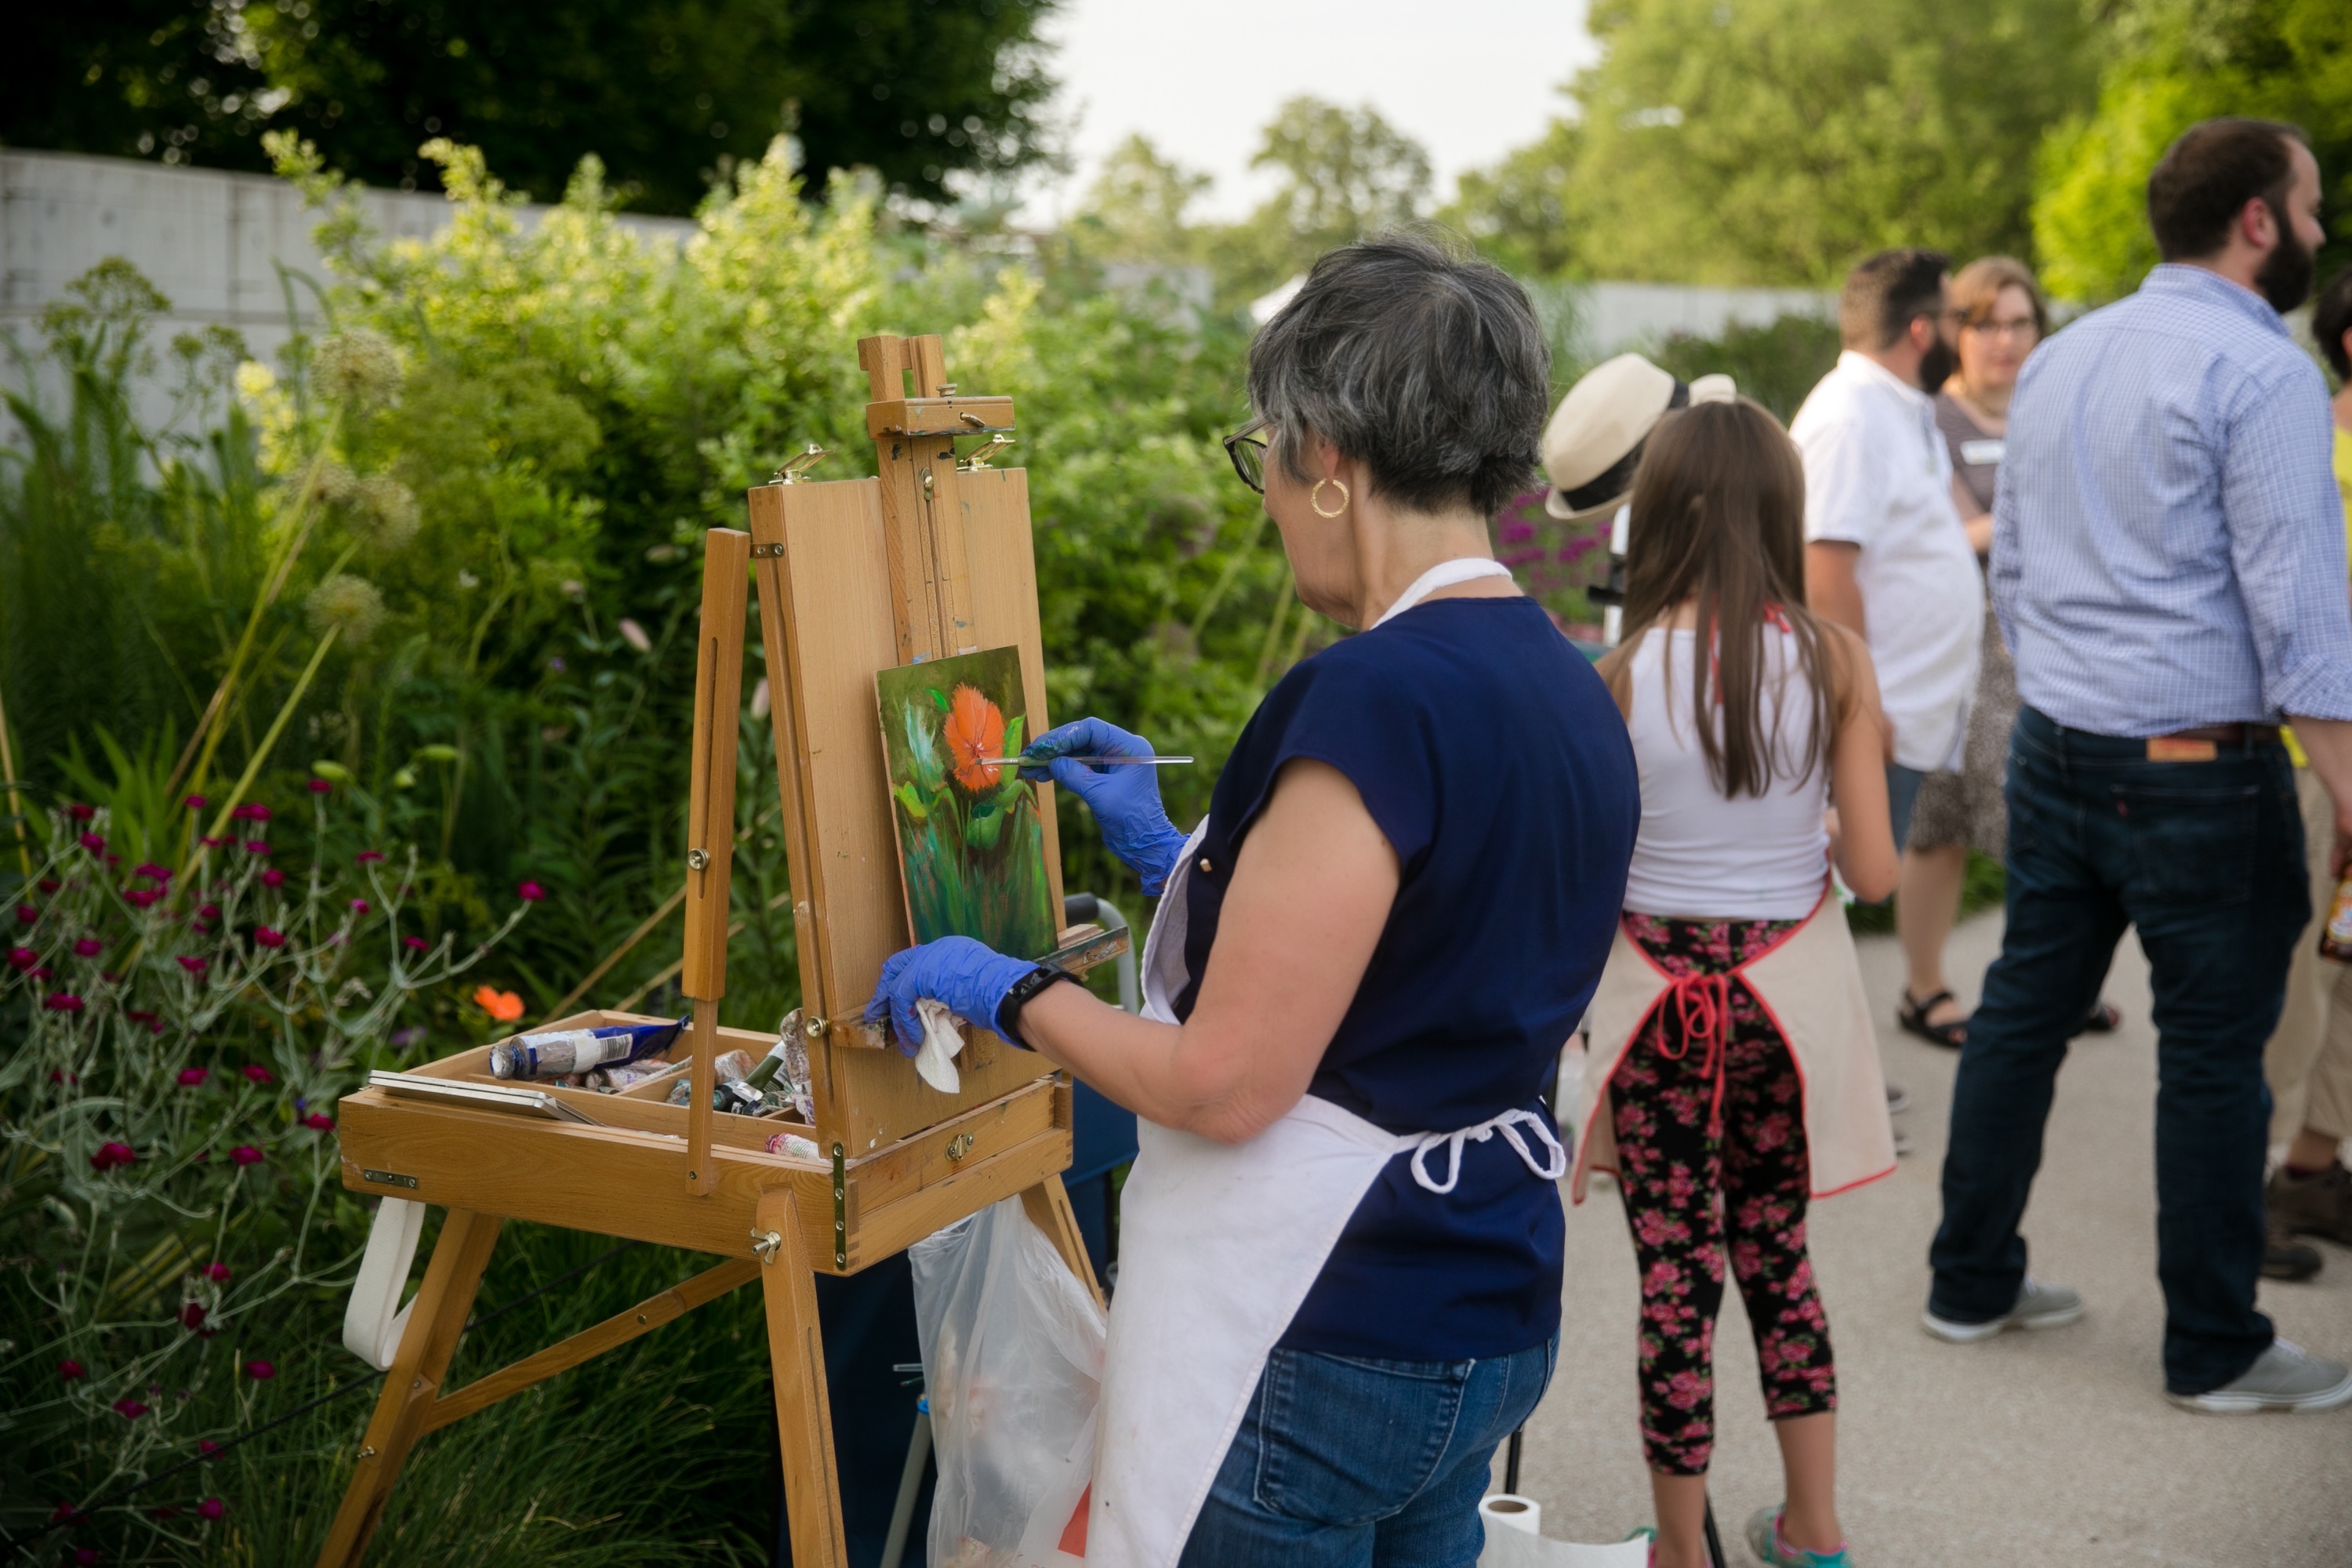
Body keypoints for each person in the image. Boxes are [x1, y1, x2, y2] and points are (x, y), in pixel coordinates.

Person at [867, 234, 1642, 1566]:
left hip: (1327, 1323)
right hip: (1488, 1306)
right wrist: (1179, 860)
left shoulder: (1376, 694)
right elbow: (1422, 953)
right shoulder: (1564, 680)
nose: (1270, 499)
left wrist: (1011, 989)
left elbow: (1227, 1084)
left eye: (1264, 458)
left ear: (1326, 456)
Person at [1926, 118, 2352, 1415]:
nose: (2326, 229)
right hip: (2198, 776)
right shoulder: (2266, 374)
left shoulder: (2063, 357)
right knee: (2217, 1058)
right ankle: (2216, 1349)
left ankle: (1971, 1282)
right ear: (2260, 221)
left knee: (2018, 1018)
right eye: (2315, 204)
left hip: (2063, 750)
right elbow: (2302, 616)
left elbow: (2017, 567)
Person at [1571, 397, 1900, 1568]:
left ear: (1655, 517)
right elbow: (1871, 867)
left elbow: (1593, 878)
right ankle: (1813, 1529)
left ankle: (1679, 1547)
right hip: (1782, 1011)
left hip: (1658, 1006)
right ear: (1783, 513)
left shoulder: (1613, 678)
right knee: (1777, 1257)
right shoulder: (1835, 662)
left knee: (1675, 1273)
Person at [1896, 258, 2122, 1050]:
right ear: (1957, 330)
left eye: (2020, 322)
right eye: (1986, 322)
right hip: (1961, 644)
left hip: (2059, 642)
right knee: (1943, 820)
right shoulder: (1929, 420)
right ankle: (1924, 986)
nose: (2004, 340)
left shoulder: (2058, 411)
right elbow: (1951, 538)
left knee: (2051, 820)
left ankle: (2051, 981)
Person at [1793, 248, 1985, 861]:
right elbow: (1823, 572)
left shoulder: (1897, 408)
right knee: (1838, 898)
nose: (1962, 332)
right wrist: (1860, 712)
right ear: (1922, 329)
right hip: (1874, 723)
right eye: (1957, 316)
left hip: (1904, 720)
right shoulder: (1851, 416)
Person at [2260, 261, 2352, 1281]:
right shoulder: (2315, 460)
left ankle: (2314, 1172)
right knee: (2300, 982)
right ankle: (2248, 1187)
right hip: (2316, 764)